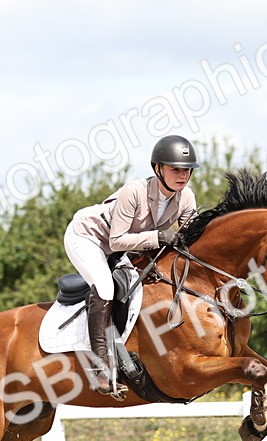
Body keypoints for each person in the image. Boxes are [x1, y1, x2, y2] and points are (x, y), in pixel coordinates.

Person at [65, 134, 200, 395]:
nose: (182, 175)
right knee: (105, 287)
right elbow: (116, 241)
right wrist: (158, 237)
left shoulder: (186, 198)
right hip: (89, 237)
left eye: (187, 170)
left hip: (126, 247)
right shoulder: (135, 191)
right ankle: (99, 369)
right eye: (175, 169)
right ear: (157, 169)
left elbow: (189, 237)